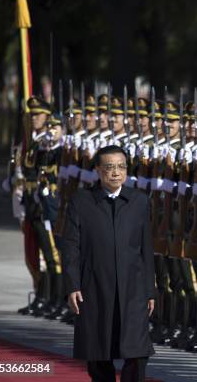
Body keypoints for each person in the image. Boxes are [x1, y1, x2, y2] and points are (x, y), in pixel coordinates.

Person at [62, 145, 155, 382]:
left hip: (132, 289)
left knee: (137, 352)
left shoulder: (139, 201)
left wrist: (149, 290)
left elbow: (146, 250)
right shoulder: (82, 201)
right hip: (95, 287)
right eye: (109, 167)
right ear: (97, 170)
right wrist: (72, 285)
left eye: (121, 167)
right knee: (99, 352)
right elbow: (71, 247)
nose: (116, 173)